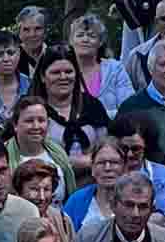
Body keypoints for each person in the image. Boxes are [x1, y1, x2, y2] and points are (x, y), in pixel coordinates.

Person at [30, 47, 108, 183]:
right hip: (46, 188)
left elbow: (108, 148)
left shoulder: (93, 106)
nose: (63, 77)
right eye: (55, 72)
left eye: (68, 72)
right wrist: (77, 162)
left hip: (93, 187)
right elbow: (29, 157)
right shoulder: (32, 111)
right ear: (43, 76)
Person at [68, 12, 137, 117]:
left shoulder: (115, 69)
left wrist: (95, 116)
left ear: (100, 42)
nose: (85, 39)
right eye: (80, 35)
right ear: (71, 41)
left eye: (91, 36)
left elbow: (129, 107)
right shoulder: (63, 69)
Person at [110, 112, 165, 208]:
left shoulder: (163, 174)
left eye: (136, 149)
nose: (129, 154)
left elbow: (164, 210)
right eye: (124, 148)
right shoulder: (109, 172)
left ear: (147, 147)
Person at [4, 96, 72, 188]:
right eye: (29, 121)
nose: (36, 126)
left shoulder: (58, 153)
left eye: (41, 120)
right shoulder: (2, 156)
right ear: (15, 125)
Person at [12, 157, 76, 242]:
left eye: (46, 189)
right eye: (34, 189)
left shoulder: (62, 220)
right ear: (19, 191)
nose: (41, 197)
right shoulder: (10, 222)